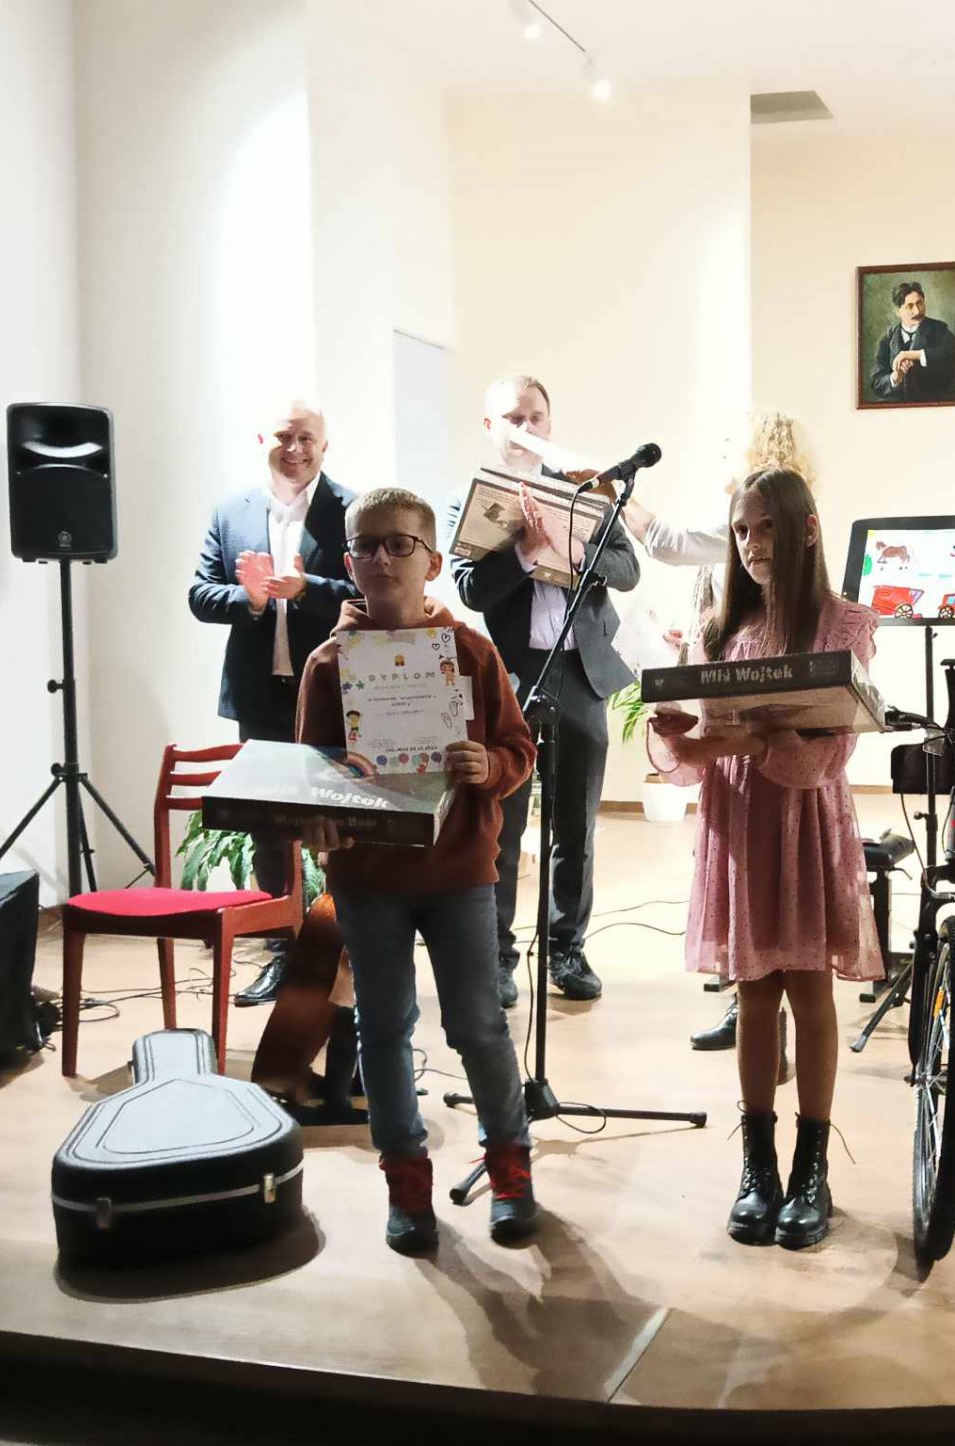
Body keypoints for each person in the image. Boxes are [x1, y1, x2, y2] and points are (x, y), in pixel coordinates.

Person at [295, 487, 540, 1255]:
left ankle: (510, 1170)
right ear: (348, 563)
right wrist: (318, 822)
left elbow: (520, 749)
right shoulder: (328, 665)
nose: (382, 558)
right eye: (366, 545)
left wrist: (489, 766)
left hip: (460, 871)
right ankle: (406, 1183)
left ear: (432, 561)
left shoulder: (471, 651)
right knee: (382, 1028)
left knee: (478, 1025)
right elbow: (311, 777)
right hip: (369, 880)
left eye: (400, 544)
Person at [646, 469, 882, 1248]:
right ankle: (758, 1168)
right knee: (752, 994)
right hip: (743, 819)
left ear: (806, 528)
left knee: (810, 990)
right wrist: (681, 730)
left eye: (768, 527)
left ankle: (812, 1168)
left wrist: (754, 742)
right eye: (742, 530)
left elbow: (833, 749)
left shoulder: (844, 624)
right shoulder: (721, 628)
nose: (752, 544)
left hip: (805, 816)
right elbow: (697, 750)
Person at [626, 408, 814, 1053]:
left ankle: (758, 1008)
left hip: (775, 759)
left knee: (782, 901)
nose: (751, 539)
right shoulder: (739, 527)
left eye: (733, 446)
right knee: (747, 898)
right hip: (731, 742)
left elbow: (667, 541)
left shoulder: (759, 515)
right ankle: (750, 1007)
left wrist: (619, 492)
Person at [448, 376, 639, 1006]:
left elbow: (629, 569)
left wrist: (579, 550)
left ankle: (567, 950)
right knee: (500, 827)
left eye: (535, 417)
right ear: (490, 427)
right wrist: (524, 556)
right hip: (510, 678)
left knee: (575, 826)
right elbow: (470, 590)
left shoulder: (586, 488)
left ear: (550, 424)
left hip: (582, 673)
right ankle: (498, 957)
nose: (525, 428)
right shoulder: (471, 498)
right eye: (512, 418)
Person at [188, 401, 356, 1006]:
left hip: (333, 698)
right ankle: (285, 955)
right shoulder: (231, 510)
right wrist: (251, 599)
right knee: (268, 832)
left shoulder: (351, 509)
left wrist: (308, 589)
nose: (295, 449)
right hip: (261, 698)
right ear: (264, 438)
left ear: (325, 445)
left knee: (343, 829)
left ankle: (345, 953)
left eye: (307, 438)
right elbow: (200, 595)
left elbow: (369, 590)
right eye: (284, 436)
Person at [868, 281, 955, 404]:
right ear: (897, 311)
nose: (917, 311)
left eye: (920, 303)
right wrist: (894, 378)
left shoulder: (939, 330)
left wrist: (917, 355)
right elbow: (876, 382)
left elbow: (953, 357)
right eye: (909, 306)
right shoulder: (888, 338)